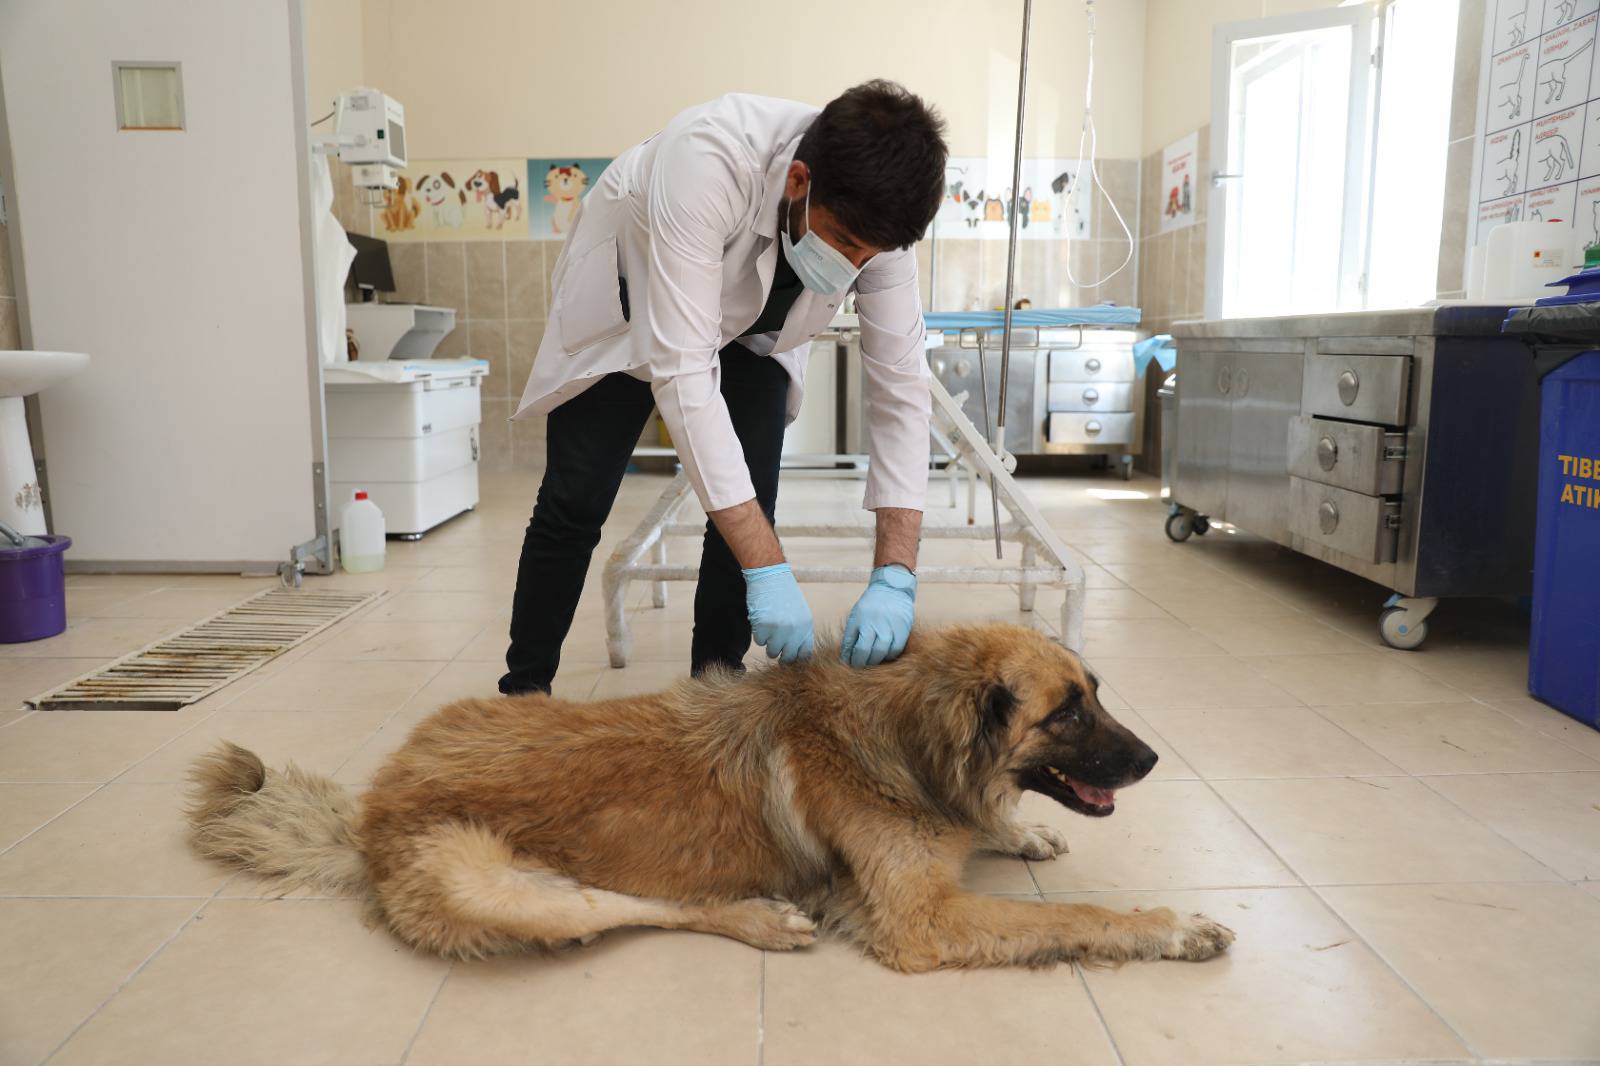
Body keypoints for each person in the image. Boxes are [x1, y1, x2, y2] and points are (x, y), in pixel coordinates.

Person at [500, 81, 948, 696]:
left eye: (869, 258)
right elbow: (684, 373)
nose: (852, 268)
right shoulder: (706, 160)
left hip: (757, 332)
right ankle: (524, 692)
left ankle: (717, 697)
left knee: (749, 497)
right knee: (575, 500)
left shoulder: (879, 229)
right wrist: (768, 568)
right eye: (844, 245)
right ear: (798, 182)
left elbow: (901, 387)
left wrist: (897, 573)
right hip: (630, 307)